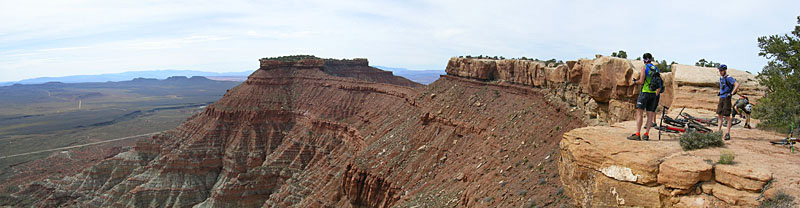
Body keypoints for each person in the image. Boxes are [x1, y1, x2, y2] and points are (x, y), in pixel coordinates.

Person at [627, 53, 662, 141]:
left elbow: (642, 81)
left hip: (645, 92)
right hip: (653, 94)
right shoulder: (656, 68)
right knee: (650, 115)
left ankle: (637, 134)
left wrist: (635, 82)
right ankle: (646, 134)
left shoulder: (644, 68)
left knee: (639, 113)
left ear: (644, 60)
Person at [717, 64, 740, 140]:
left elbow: (737, 84)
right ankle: (718, 132)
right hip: (721, 97)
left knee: (727, 116)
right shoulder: (721, 78)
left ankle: (728, 133)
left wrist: (732, 93)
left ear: (724, 70)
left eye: (721, 70)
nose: (720, 72)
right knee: (720, 115)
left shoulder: (729, 78)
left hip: (727, 98)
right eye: (719, 70)